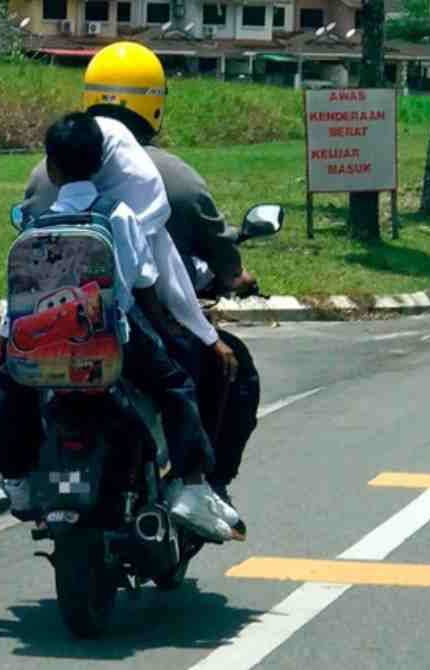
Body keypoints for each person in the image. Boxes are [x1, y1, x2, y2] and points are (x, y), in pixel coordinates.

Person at [0, 112, 240, 543]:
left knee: (9, 381)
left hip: (47, 341)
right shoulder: (123, 215)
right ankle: (190, 486)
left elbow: (23, 295)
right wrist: (171, 334)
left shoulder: (38, 223)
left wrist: (2, 342)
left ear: (51, 168)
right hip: (111, 340)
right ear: (101, 164)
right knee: (175, 385)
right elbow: (145, 282)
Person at [19, 42, 261, 520]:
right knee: (203, 375)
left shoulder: (42, 182)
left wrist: (4, 335)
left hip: (50, 324)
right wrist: (198, 329)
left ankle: (9, 474)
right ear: (155, 103)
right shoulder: (163, 186)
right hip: (121, 329)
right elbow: (157, 278)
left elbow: (27, 272)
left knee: (9, 374)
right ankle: (199, 483)